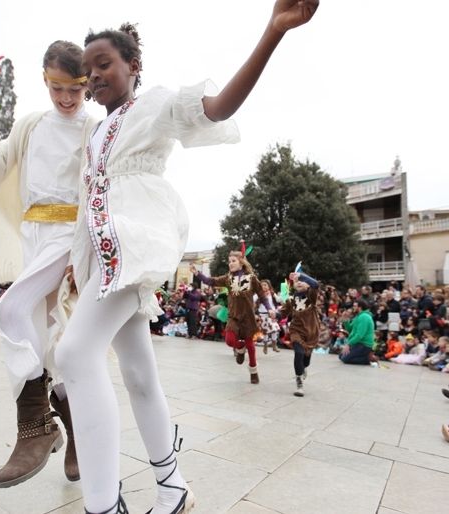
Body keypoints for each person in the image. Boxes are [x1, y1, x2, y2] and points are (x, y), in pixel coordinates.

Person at [53, 3, 319, 512]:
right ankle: (172, 487)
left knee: (73, 355)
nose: (93, 76)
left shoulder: (153, 104)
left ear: (133, 65)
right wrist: (74, 259)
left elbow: (217, 107)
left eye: (104, 63)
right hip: (104, 256)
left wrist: (272, 32)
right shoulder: (95, 135)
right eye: (88, 71)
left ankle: (104, 504)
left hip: (134, 245)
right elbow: (89, 201)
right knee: (137, 372)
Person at [0, 41, 98, 487]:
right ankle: (76, 437)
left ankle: (34, 426)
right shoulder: (32, 124)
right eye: (57, 87)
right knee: (50, 346)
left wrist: (83, 252)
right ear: (45, 80)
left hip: (70, 238)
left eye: (76, 88)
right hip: (34, 237)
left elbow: (98, 191)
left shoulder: (94, 128)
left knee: (10, 311)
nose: (67, 99)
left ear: (86, 84)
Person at [191, 251, 274, 384]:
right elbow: (210, 281)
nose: (230, 264)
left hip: (248, 318)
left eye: (233, 261)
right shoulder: (228, 278)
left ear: (241, 263)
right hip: (233, 316)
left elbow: (262, 296)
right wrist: (197, 273)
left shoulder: (252, 278)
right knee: (230, 340)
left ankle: (253, 371)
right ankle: (240, 349)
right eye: (229, 261)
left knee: (251, 347)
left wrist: (270, 308)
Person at [281, 271, 320, 397]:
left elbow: (316, 284)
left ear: (308, 285)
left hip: (311, 332)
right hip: (296, 330)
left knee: (306, 361)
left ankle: (303, 368)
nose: (299, 283)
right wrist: (275, 314)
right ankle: (299, 383)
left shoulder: (312, 296)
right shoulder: (291, 299)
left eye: (302, 281)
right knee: (299, 353)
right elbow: (283, 313)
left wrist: (300, 275)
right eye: (296, 281)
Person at [339, 299, 376, 365]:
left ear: (360, 307)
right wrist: (345, 319)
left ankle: (367, 359)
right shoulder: (358, 316)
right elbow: (350, 329)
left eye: (355, 306)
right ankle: (363, 356)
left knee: (345, 359)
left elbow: (359, 335)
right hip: (358, 343)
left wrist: (348, 344)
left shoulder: (364, 317)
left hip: (364, 345)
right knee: (341, 356)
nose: (353, 308)